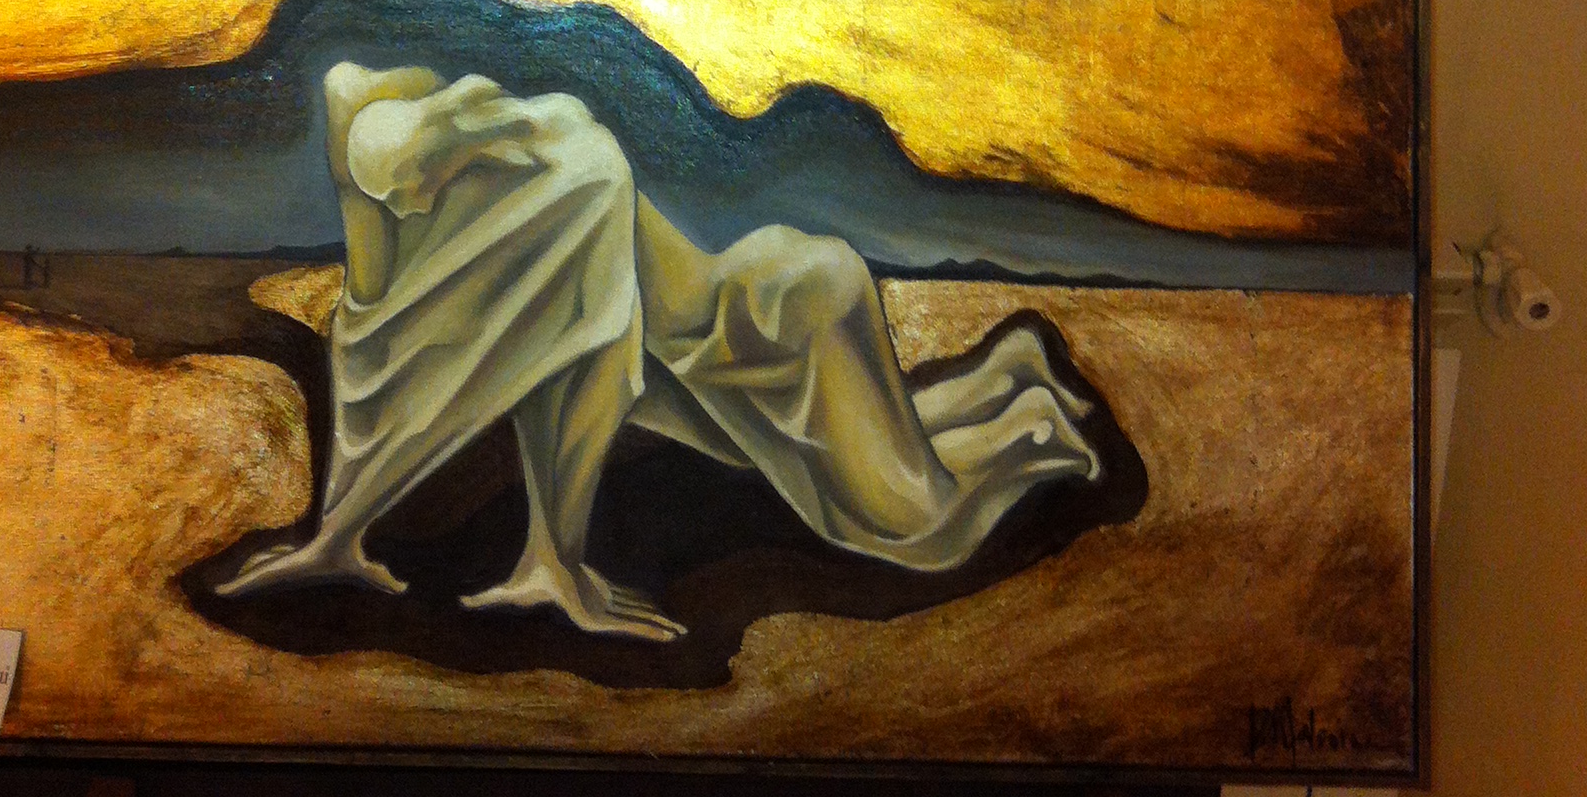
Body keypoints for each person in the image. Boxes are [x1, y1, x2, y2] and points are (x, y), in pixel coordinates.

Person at [215, 61, 1107, 637]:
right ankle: (1009, 373)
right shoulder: (482, 152)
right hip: (750, 325)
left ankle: (1034, 428)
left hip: (778, 325)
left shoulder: (574, 182)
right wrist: (335, 536)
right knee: (836, 471)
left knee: (907, 527)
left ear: (444, 148)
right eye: (394, 196)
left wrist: (556, 560)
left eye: (412, 186)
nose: (407, 206)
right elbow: (378, 340)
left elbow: (591, 374)